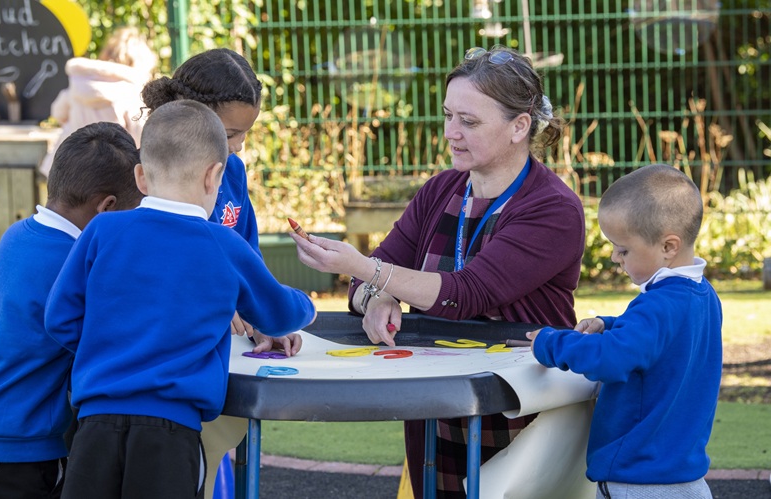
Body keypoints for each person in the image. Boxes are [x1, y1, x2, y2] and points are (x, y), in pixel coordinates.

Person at [292, 46, 585, 498]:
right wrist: (378, 297)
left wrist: (366, 268)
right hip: (436, 408)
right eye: (449, 116)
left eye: (469, 122)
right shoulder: (442, 189)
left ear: (519, 127)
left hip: (522, 410)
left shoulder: (552, 208)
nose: (451, 132)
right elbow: (365, 282)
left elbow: (465, 293)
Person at [44, 100, 316, 499]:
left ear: (140, 176)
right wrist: (306, 304)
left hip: (94, 425)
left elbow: (59, 319)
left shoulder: (102, 230)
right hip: (171, 432)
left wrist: (109, 349)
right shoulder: (223, 243)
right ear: (215, 177)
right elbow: (277, 314)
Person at [140, 48, 303, 497]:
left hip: (224, 359)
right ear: (195, 118)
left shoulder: (231, 171)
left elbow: (246, 259)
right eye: (231, 133)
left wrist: (265, 321)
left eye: (245, 134)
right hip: (170, 374)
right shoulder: (153, 172)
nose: (239, 146)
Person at [527, 163, 722, 499]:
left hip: (639, 479)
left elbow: (611, 359)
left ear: (668, 247)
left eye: (623, 249)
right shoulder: (702, 295)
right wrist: (611, 324)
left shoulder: (657, 306)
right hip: (683, 477)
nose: (615, 258)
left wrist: (551, 342)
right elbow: (666, 341)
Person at [0, 122, 144, 499]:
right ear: (108, 207)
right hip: (24, 443)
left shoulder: (16, 234)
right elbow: (105, 341)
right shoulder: (75, 263)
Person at [39, 26, 158, 178]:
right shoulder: (133, 93)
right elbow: (142, 136)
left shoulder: (81, 83)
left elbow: (57, 112)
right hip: (110, 173)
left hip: (67, 168)